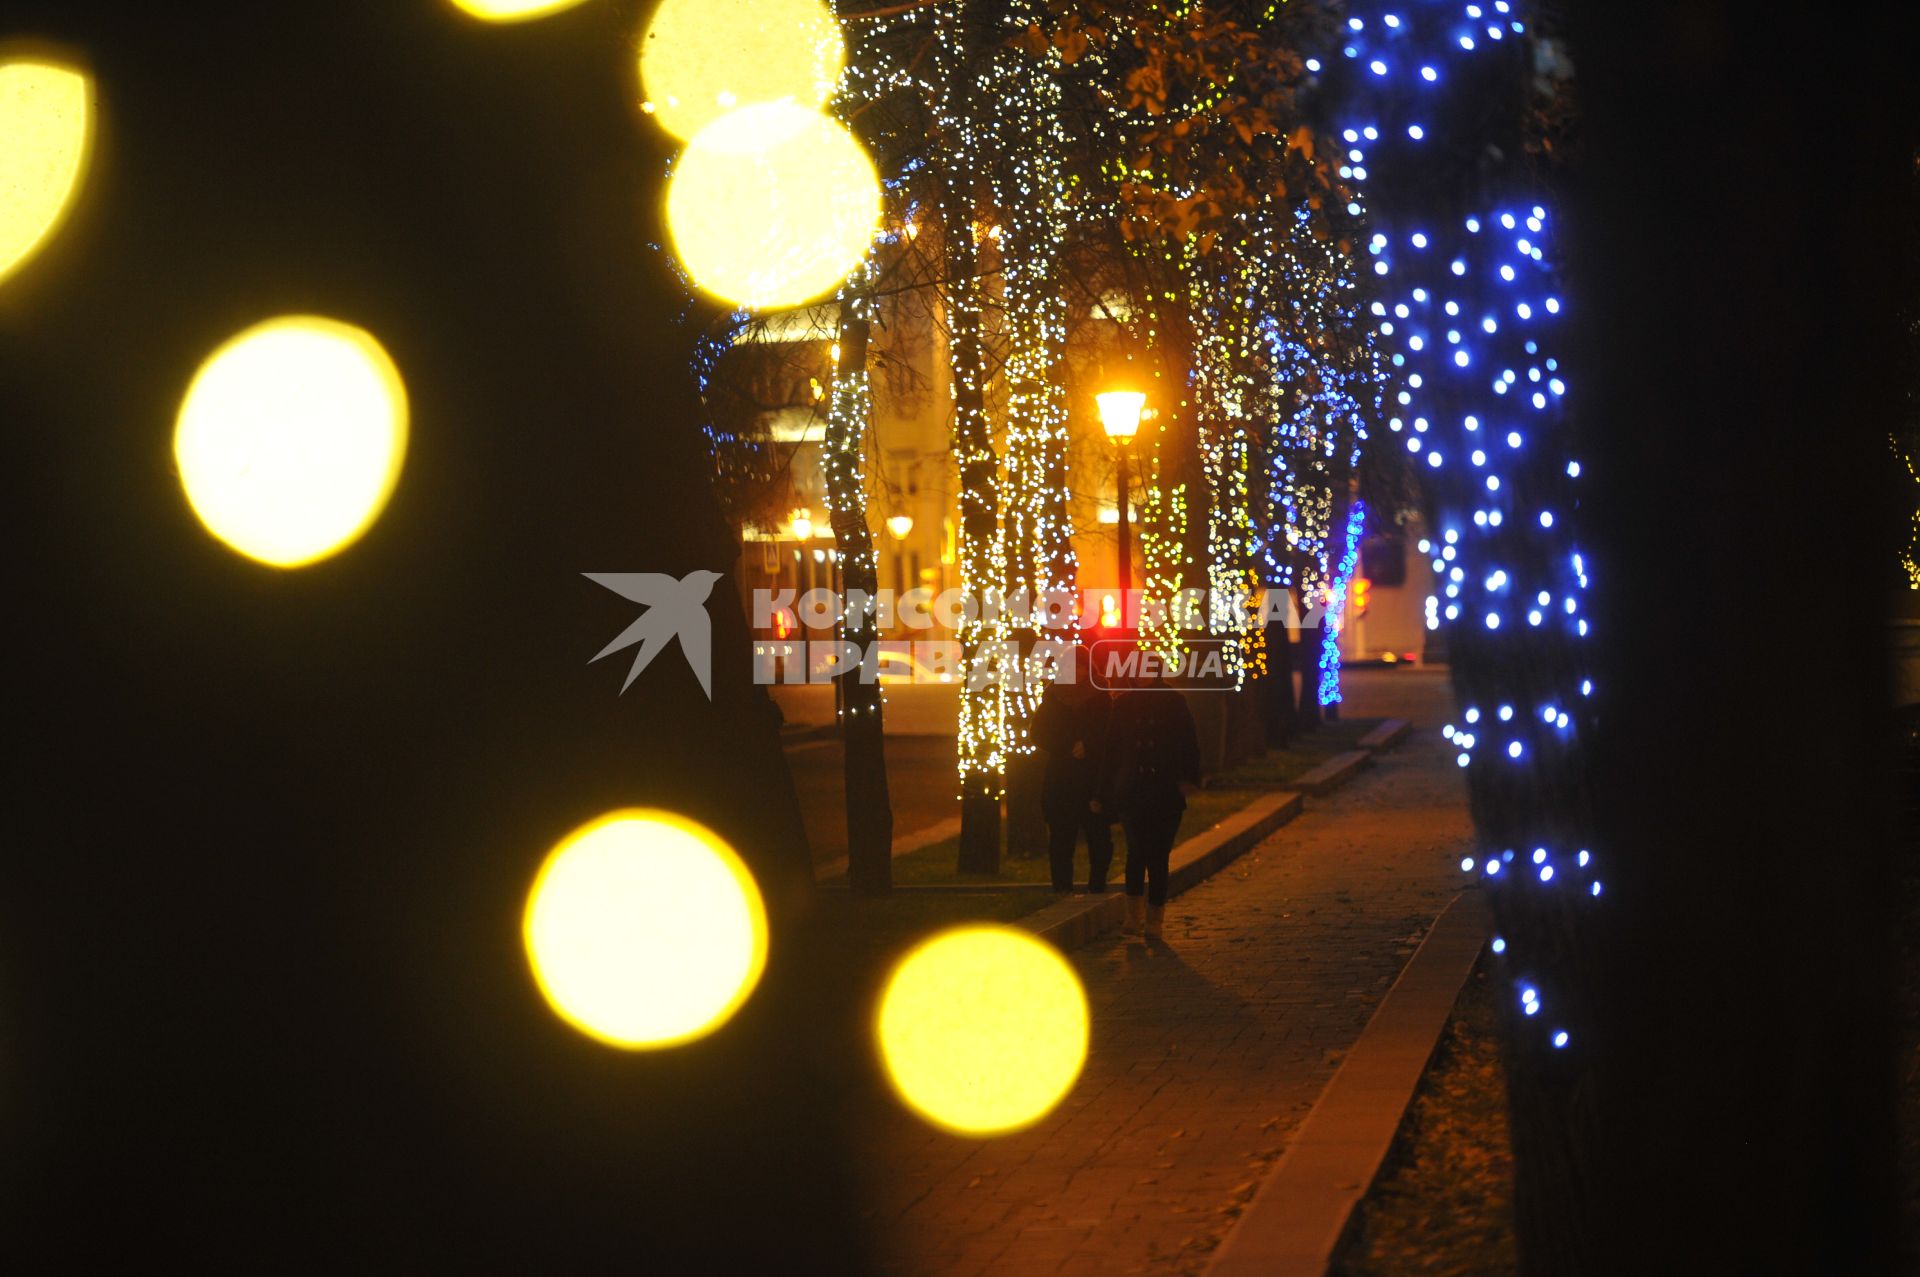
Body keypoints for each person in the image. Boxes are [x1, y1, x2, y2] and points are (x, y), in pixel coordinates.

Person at [1106, 652, 1202, 943]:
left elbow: (1189, 744)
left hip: (1164, 790)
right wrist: (1104, 790)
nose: (1141, 675)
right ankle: (1133, 916)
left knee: (1158, 854)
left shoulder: (1174, 702)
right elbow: (1111, 752)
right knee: (1136, 850)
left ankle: (1154, 919)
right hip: (1133, 790)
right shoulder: (1122, 705)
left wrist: (1187, 779)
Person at [1033, 646, 1115, 894]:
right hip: (1062, 776)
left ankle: (1097, 884)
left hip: (1093, 777)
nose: (1078, 672)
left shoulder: (1102, 696)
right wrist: (1067, 746)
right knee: (1061, 836)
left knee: (1098, 836)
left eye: (1082, 666)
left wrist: (1088, 745)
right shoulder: (1054, 696)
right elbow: (1039, 733)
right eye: (1073, 666)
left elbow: (1111, 733)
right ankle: (1061, 887)